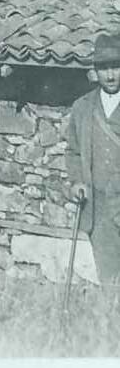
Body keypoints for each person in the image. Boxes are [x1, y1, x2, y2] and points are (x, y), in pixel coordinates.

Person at [65, 32, 120, 283]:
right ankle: (110, 322)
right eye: (104, 68)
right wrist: (77, 181)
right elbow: (73, 151)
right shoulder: (82, 108)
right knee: (108, 278)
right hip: (98, 210)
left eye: (116, 67)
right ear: (95, 71)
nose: (110, 75)